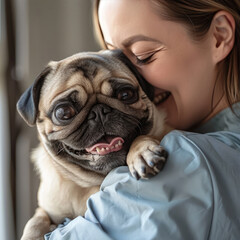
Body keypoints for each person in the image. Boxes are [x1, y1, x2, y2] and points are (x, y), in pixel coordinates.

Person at [45, 0, 240, 239]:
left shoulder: (182, 165)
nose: (125, 74)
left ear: (219, 36)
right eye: (109, 56)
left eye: (143, 55)